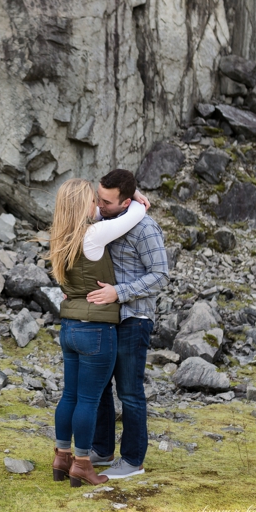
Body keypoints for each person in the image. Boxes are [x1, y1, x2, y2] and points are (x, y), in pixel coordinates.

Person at [45, 177, 149, 487]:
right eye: (94, 201)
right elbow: (135, 213)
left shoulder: (59, 238)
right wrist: (136, 196)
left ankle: (61, 457)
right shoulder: (92, 236)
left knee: (70, 397)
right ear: (82, 206)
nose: (98, 206)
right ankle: (83, 463)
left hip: (69, 328)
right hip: (96, 331)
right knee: (89, 401)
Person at [85, 168, 169, 480]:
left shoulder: (145, 229)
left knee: (130, 391)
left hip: (134, 319)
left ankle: (133, 460)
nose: (99, 205)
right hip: (106, 319)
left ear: (124, 204)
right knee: (102, 386)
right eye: (99, 198)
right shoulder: (106, 218)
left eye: (106, 202)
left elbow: (160, 275)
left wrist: (118, 293)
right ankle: (103, 449)